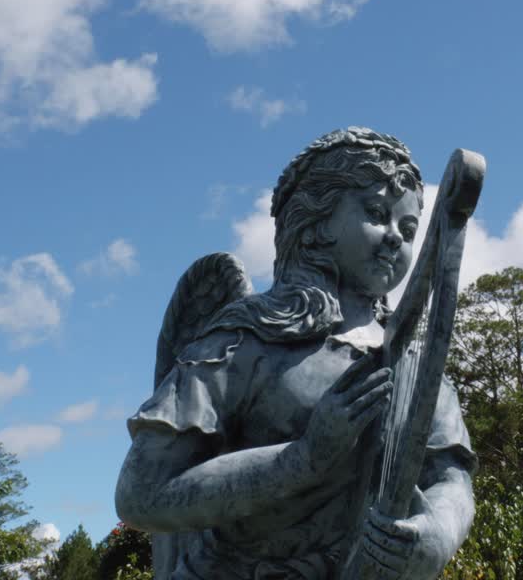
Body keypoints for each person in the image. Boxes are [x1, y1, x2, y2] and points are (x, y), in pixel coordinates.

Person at [115, 128, 475, 580]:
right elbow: (141, 493)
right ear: (316, 220)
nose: (394, 238)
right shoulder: (244, 341)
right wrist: (302, 459)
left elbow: (450, 479)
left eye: (408, 230)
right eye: (376, 213)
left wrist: (436, 533)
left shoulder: (415, 366)